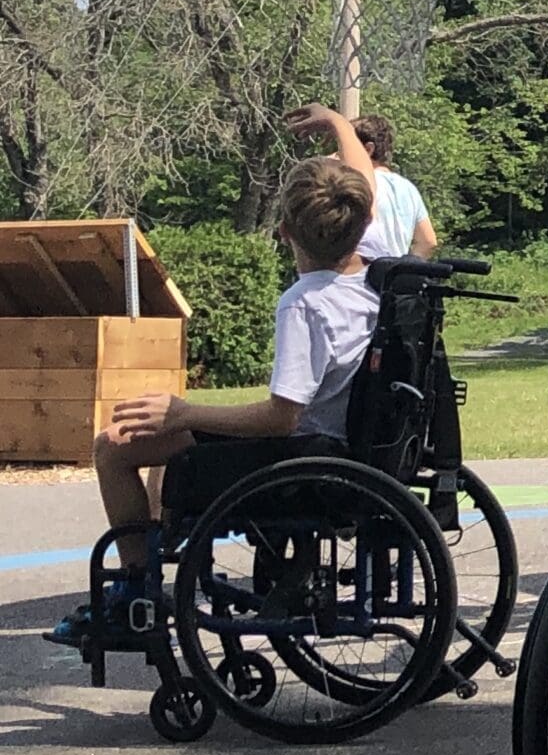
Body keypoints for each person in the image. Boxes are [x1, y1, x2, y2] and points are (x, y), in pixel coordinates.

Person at [51, 157, 379, 643]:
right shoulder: (378, 282)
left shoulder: (306, 304)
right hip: (348, 450)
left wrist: (184, 411)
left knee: (114, 447)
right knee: (165, 437)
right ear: (364, 224)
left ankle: (134, 592)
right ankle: (154, 556)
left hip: (302, 458)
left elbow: (282, 417)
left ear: (284, 231)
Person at [284, 105, 437, 261]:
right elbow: (428, 241)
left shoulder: (356, 184)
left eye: (342, 149)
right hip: (391, 273)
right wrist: (404, 266)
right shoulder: (408, 189)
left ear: (368, 149)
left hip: (359, 268)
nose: (336, 155)